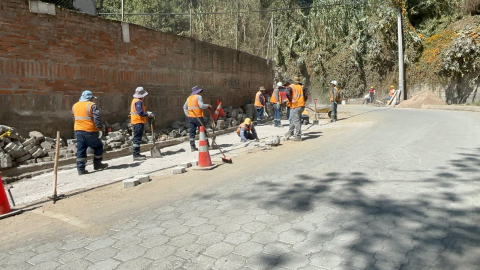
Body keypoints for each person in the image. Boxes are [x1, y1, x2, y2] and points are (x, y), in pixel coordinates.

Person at [72, 90, 108, 175]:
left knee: (81, 149)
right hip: (89, 130)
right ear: (90, 98)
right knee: (98, 146)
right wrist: (100, 127)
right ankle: (97, 164)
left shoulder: (75, 105)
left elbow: (74, 117)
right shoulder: (92, 105)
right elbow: (97, 118)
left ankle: (80, 169)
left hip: (78, 130)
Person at [184, 86, 212, 151]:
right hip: (198, 117)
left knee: (192, 132)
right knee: (203, 131)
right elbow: (201, 106)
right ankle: (207, 145)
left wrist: (187, 114)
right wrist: (208, 105)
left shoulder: (189, 98)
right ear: (198, 92)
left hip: (191, 117)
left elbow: (184, 107)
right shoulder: (198, 97)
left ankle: (192, 146)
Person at [130, 87, 155, 161]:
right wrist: (148, 114)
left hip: (135, 121)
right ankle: (136, 155)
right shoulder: (138, 102)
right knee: (137, 138)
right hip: (138, 121)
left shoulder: (134, 100)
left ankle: (137, 153)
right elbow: (140, 113)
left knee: (137, 138)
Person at [285, 77, 308, 141]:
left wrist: (291, 99)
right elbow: (306, 94)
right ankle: (291, 132)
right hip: (301, 105)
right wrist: (303, 101)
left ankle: (298, 136)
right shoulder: (301, 86)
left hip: (296, 106)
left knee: (296, 121)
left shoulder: (291, 86)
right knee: (293, 119)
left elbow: (287, 93)